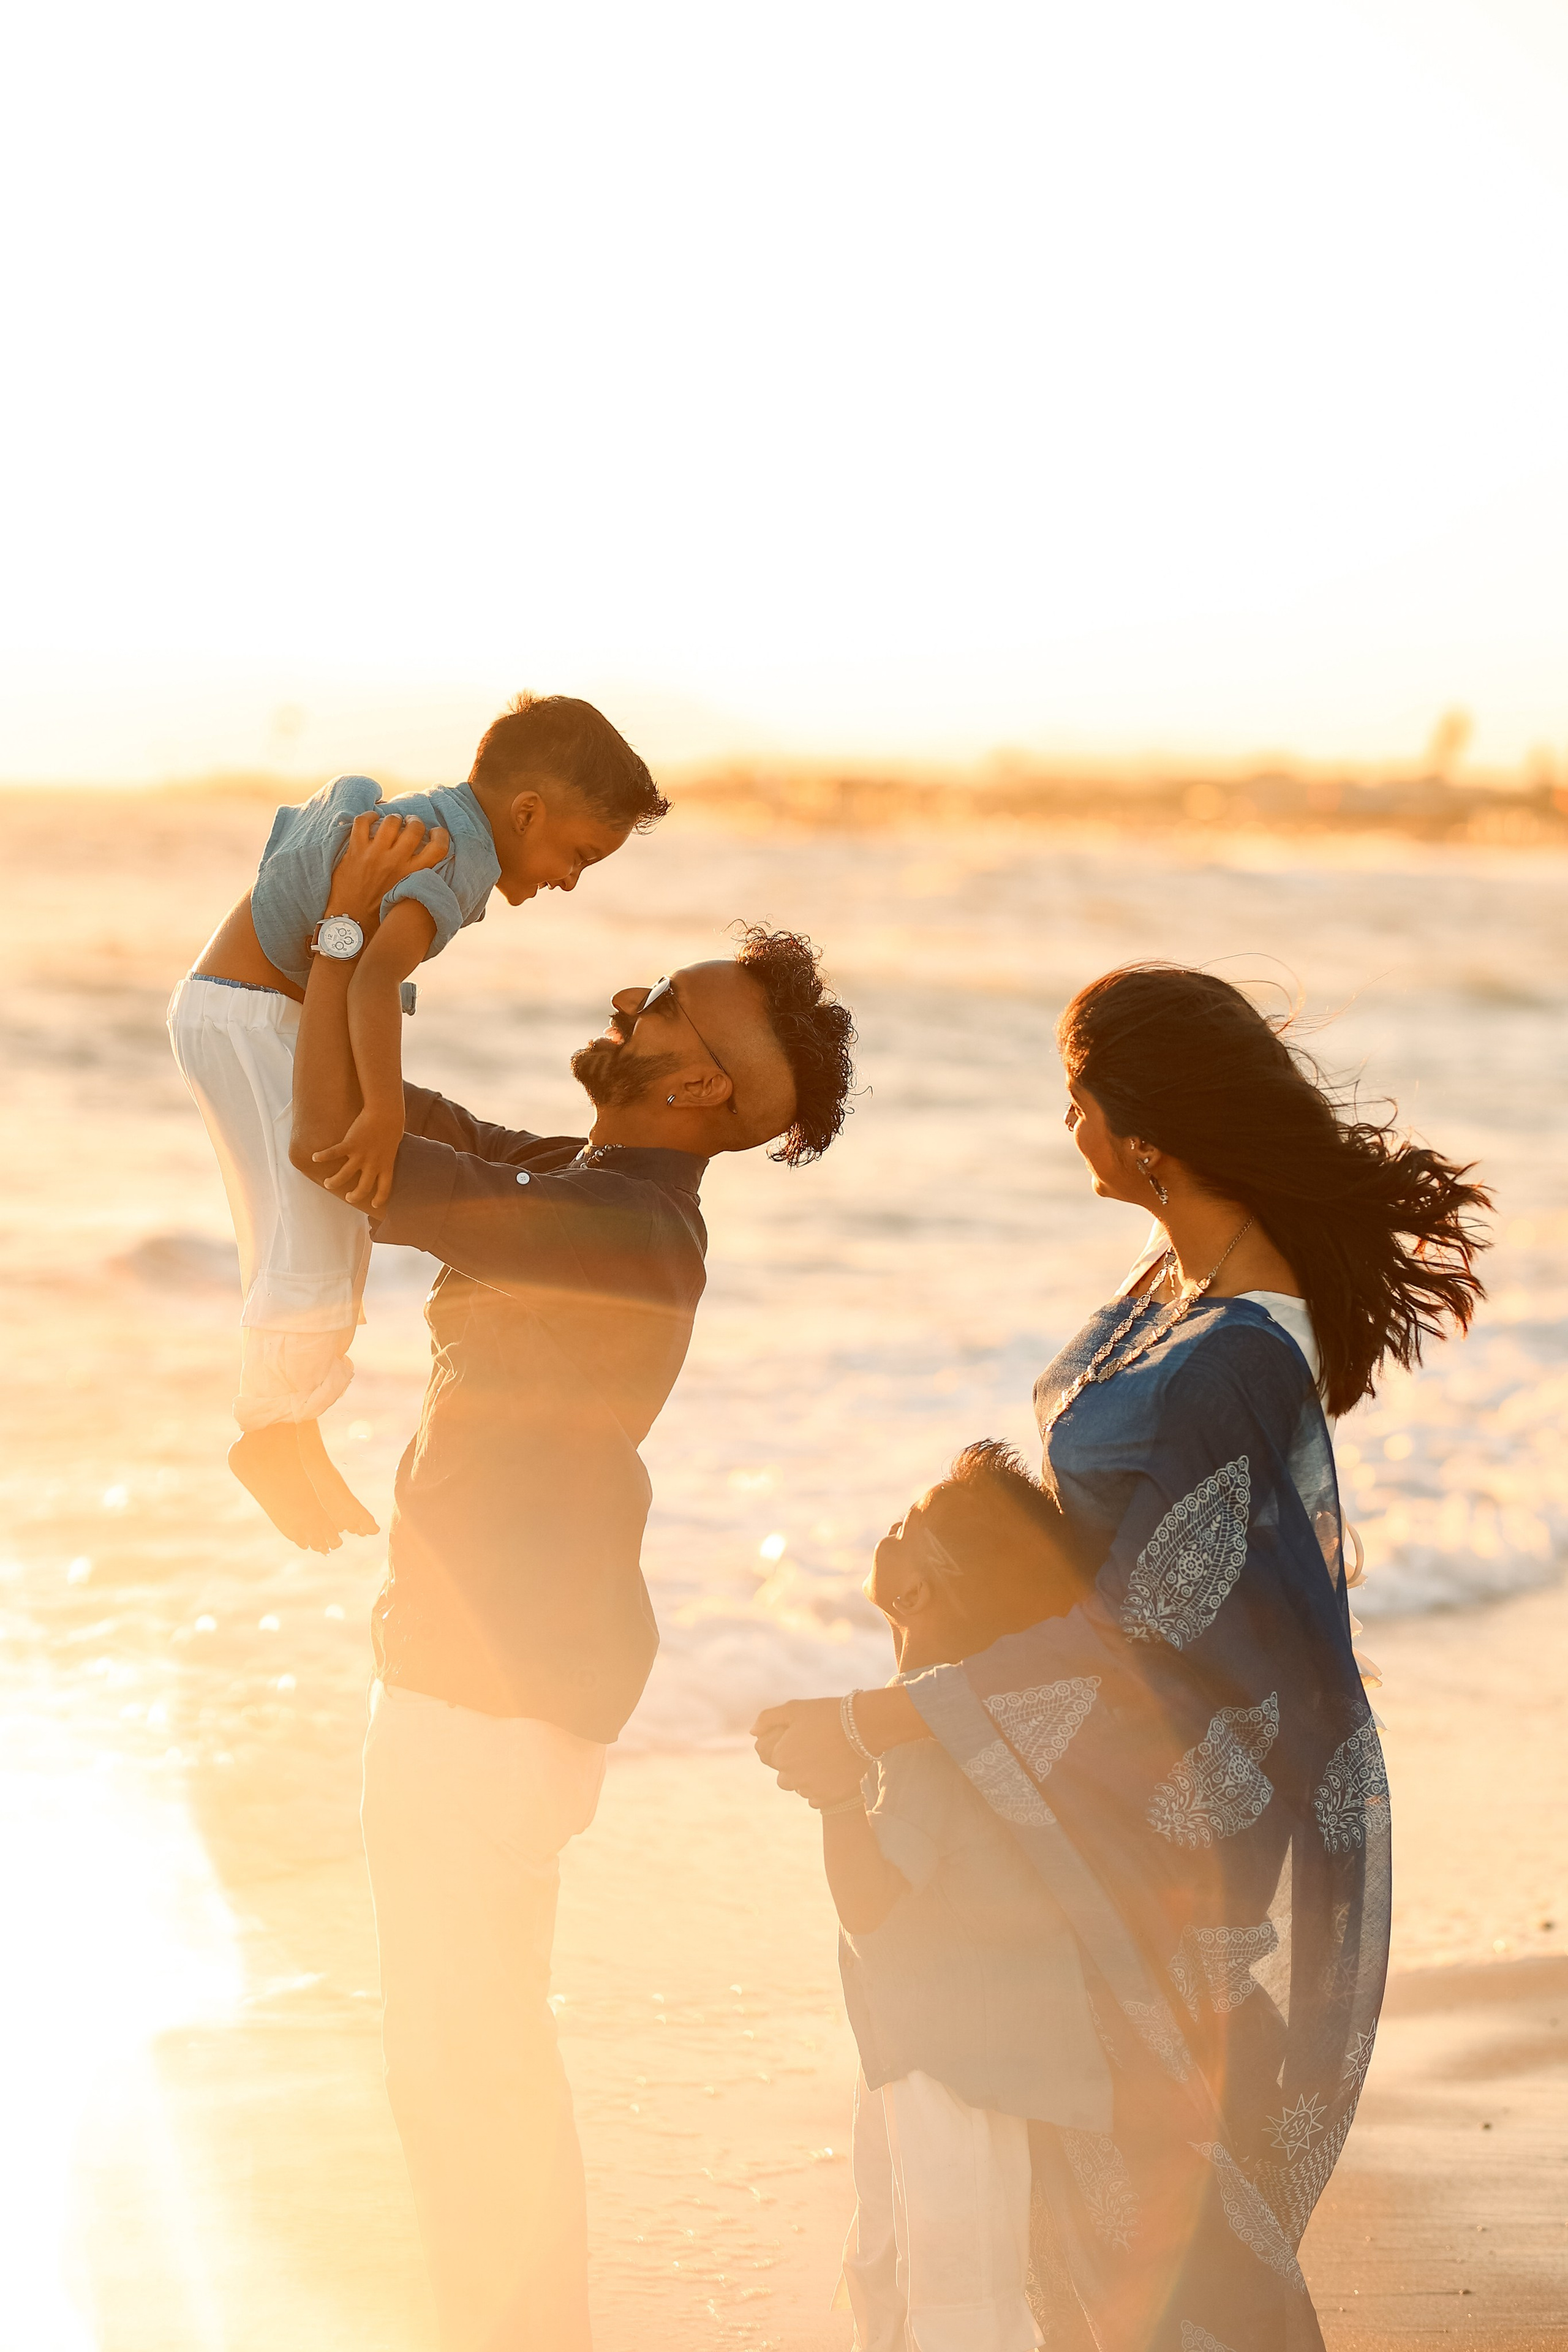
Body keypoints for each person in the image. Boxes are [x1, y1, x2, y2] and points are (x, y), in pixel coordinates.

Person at [755, 963, 1490, 2352]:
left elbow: (1148, 1625)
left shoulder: (1231, 1355)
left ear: (1146, 1130)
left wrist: (885, 1720)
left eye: (1076, 1101)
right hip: (1097, 1753)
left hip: (1162, 1792)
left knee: (1154, 2151)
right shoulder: (1188, 1280)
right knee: (1104, 2147)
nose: (1066, 1129)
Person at [288, 812, 857, 2352]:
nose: (629, 1002)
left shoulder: (627, 1234)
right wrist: (338, 950)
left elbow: (351, 1166)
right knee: (462, 2044)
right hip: (504, 1670)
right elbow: (383, 1115)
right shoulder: (584, 1180)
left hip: (495, 1686)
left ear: (700, 1089)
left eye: (663, 1006)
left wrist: (358, 939)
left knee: (459, 2051)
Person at [168, 692, 666, 1553]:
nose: (571, 881)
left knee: (320, 1229)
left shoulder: (441, 831)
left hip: (242, 1013)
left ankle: (292, 1428)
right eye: (579, 854)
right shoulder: (452, 861)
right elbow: (368, 977)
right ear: (527, 811)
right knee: (312, 1235)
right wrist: (386, 1110)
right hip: (252, 1020)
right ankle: (269, 1433)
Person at [814, 1441, 1109, 2352]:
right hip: (943, 2045)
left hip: (952, 2057)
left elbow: (869, 1905)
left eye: (909, 1525)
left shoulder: (928, 1735)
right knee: (899, 2274)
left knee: (952, 2300)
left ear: (917, 1596)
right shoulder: (971, 1718)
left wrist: (832, 1792)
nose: (889, 1530)